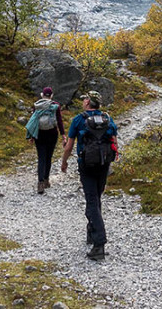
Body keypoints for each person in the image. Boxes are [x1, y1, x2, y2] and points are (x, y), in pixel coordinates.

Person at [60, 90, 118, 261]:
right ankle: (92, 231)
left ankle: (99, 243)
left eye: (85, 98)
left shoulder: (79, 120)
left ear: (88, 102)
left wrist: (64, 162)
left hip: (86, 164)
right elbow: (114, 141)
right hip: (103, 164)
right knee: (96, 198)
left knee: (92, 200)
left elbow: (69, 146)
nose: (83, 101)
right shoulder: (108, 118)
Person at [26, 86, 65, 194]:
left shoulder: (37, 105)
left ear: (42, 95)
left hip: (40, 134)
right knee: (49, 157)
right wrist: (63, 135)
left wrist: (32, 136)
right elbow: (59, 121)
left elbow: (34, 121)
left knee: (41, 158)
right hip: (52, 134)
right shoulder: (55, 106)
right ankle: (46, 180)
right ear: (51, 95)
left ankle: (40, 183)